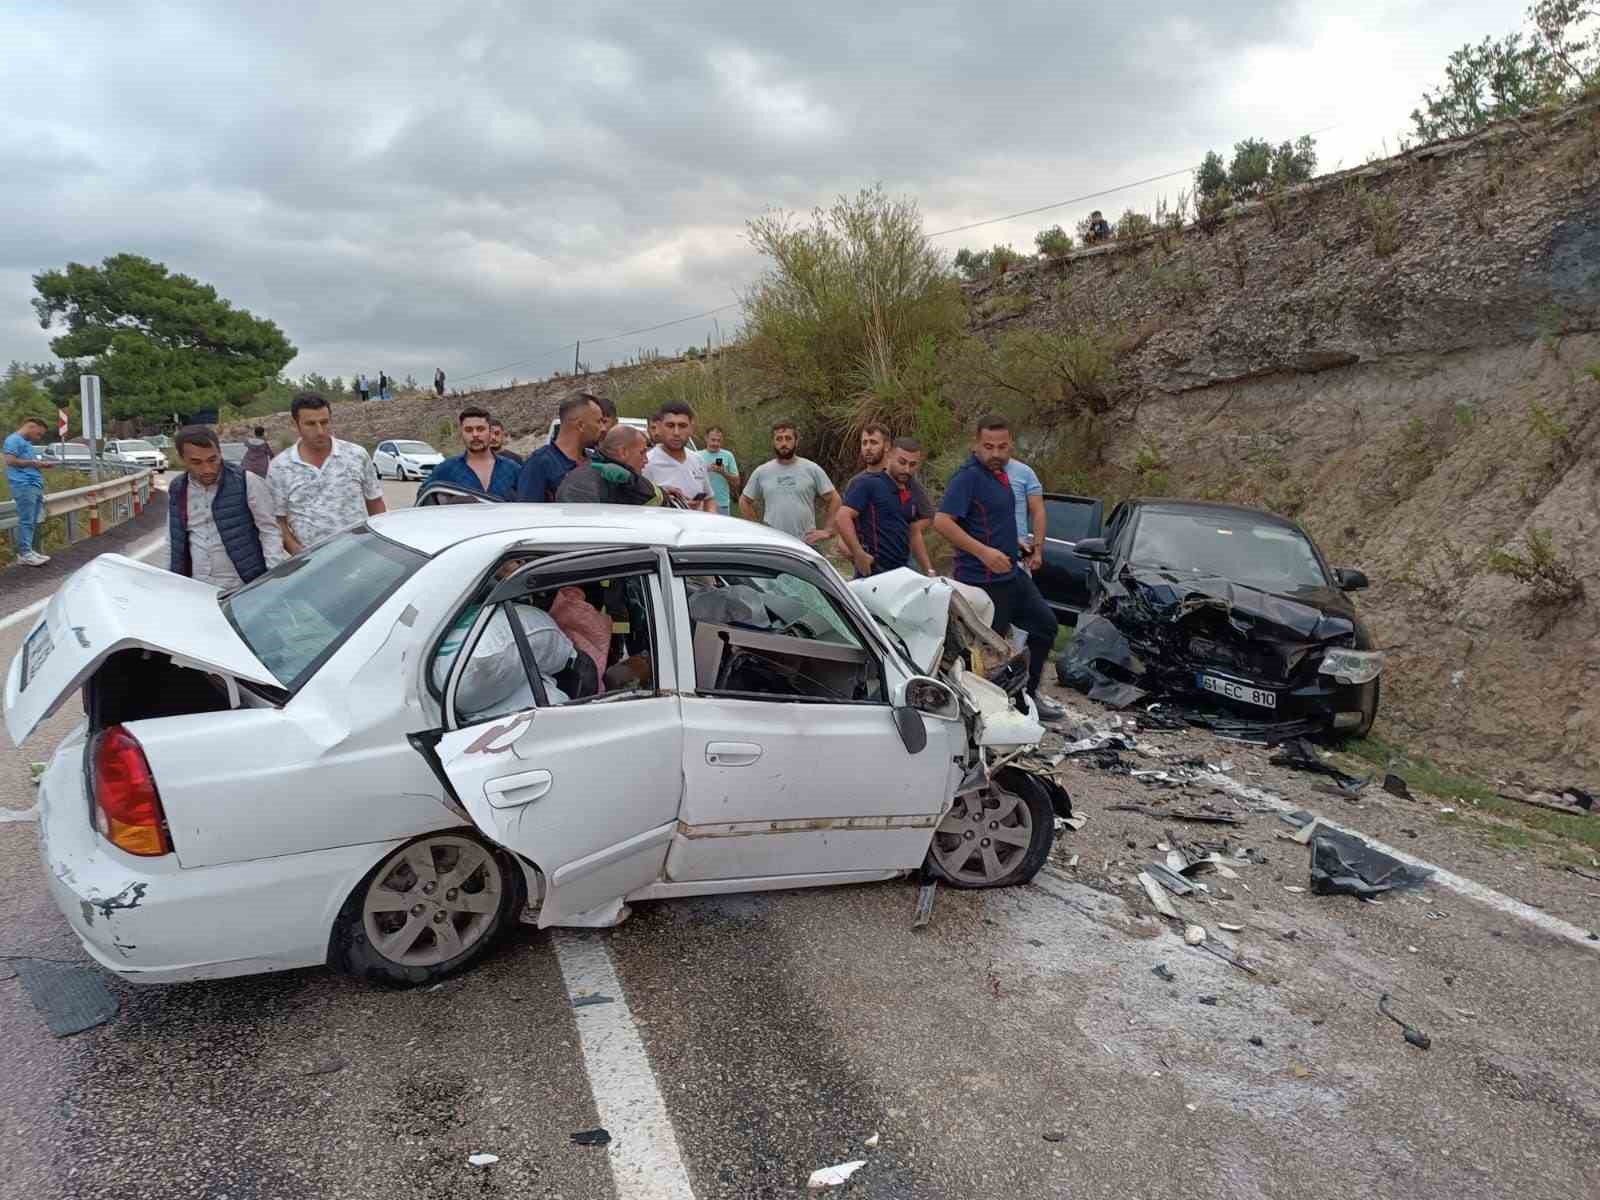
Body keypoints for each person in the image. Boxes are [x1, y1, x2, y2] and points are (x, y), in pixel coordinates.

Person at [931, 416, 1064, 718]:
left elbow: (990, 521)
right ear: (976, 445)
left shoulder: (1002, 475)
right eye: (988, 447)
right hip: (983, 579)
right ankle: (978, 711)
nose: (996, 453)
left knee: (1045, 626)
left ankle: (1028, 698)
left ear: (1011, 446)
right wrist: (984, 552)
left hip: (1011, 573)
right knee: (986, 653)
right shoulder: (968, 477)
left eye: (1002, 447)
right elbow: (942, 521)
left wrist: (1016, 544)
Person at [267, 393, 387, 555]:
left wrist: (381, 545)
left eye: (324, 422)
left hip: (362, 555)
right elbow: (278, 520)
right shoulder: (280, 467)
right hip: (315, 566)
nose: (320, 431)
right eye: (311, 424)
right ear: (296, 424)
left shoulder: (356, 455)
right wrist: (299, 555)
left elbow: (375, 503)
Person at [169, 425, 284, 588]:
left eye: (212, 459)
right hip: (196, 585)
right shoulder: (177, 488)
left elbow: (269, 531)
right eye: (196, 462)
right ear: (182, 459)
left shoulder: (247, 482)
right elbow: (173, 539)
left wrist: (271, 581)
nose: (207, 469)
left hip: (242, 585)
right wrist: (170, 581)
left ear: (220, 453)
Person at [836, 438, 933, 576]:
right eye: (902, 462)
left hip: (903, 570)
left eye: (912, 465)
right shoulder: (868, 484)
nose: (906, 469)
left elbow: (914, 533)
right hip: (875, 570)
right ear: (889, 456)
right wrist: (858, 553)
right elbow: (842, 516)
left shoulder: (911, 490)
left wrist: (929, 570)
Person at [739, 420, 838, 544]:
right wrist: (759, 530)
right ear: (773, 442)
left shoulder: (812, 469)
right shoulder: (762, 472)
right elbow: (744, 501)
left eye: (788, 438)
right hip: (774, 544)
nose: (784, 443)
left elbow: (835, 499)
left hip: (806, 543)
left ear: (796, 441)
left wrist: (828, 530)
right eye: (779, 439)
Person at [843, 421, 934, 525]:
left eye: (873, 442)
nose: (868, 448)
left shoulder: (903, 477)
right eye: (864, 443)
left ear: (887, 446)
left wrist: (912, 531)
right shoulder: (855, 482)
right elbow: (845, 520)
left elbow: (928, 515)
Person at [3, 415, 65, 566]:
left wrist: (41, 465)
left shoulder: (26, 443)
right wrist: (33, 462)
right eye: (38, 434)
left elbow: (27, 463)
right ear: (31, 426)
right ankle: (24, 554)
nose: (38, 437)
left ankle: (29, 551)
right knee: (26, 520)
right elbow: (10, 461)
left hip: (33, 484)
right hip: (23, 485)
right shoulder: (13, 440)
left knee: (32, 521)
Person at [518, 393, 602, 500]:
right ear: (581, 425)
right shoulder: (539, 464)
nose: (602, 428)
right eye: (598, 422)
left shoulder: (596, 461)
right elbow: (528, 512)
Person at [556, 425, 666, 505]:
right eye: (642, 453)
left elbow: (654, 498)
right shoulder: (582, 484)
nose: (646, 460)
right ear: (623, 452)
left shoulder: (622, 478)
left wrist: (631, 480)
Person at [430, 407, 521, 498]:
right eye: (468, 430)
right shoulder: (446, 469)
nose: (475, 435)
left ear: (490, 432)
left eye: (480, 429)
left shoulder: (512, 469)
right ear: (461, 433)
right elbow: (424, 503)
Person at [643, 401, 715, 511]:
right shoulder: (646, 462)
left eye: (682, 426)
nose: (676, 432)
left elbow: (709, 499)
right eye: (670, 425)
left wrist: (711, 521)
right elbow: (638, 507)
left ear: (691, 428)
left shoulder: (698, 460)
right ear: (659, 427)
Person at [1006, 456, 1047, 569]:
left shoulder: (1024, 472)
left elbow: (1038, 511)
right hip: (982, 557)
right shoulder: (973, 473)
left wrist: (1037, 551)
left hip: (1018, 557)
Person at [698, 425, 740, 516]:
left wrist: (723, 472)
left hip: (722, 504)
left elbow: (736, 482)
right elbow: (690, 479)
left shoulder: (728, 455)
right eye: (713, 440)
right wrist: (706, 470)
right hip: (701, 504)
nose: (716, 443)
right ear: (706, 438)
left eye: (719, 440)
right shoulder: (696, 455)